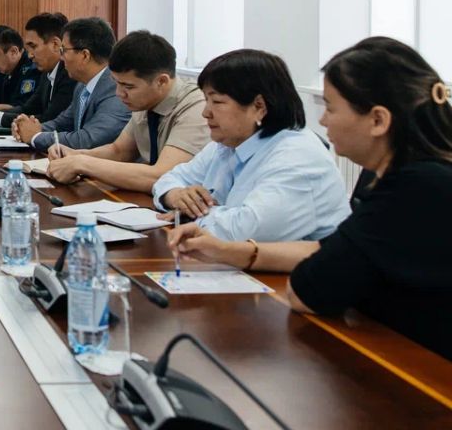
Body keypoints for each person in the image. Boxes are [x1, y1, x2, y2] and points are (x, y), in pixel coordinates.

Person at [167, 38, 452, 360]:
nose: (323, 120)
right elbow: (328, 248)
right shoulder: (418, 174)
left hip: (421, 369)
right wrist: (229, 251)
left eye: (330, 107)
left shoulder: (413, 187)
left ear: (378, 120)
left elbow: (307, 290)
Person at [151, 48, 349, 242]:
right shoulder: (229, 143)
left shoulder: (298, 157)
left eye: (217, 102)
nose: (206, 112)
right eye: (206, 100)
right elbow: (171, 178)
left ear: (259, 106)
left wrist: (191, 215)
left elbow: (245, 231)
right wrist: (175, 196)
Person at [42, 31, 209, 192]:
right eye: (116, 83)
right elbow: (119, 151)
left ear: (161, 81)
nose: (119, 93)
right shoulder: (145, 100)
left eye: (128, 86)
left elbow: (162, 176)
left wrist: (82, 163)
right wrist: (74, 155)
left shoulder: (196, 107)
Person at [15, 17, 131, 153]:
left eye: (64, 50)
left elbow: (88, 140)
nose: (61, 57)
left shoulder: (115, 88)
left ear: (85, 55)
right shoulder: (82, 86)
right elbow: (62, 123)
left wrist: (36, 137)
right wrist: (29, 128)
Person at [0, 13, 74, 128]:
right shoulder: (47, 73)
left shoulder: (69, 74)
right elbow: (27, 109)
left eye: (33, 46)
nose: (30, 55)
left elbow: (50, 120)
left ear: (55, 44)